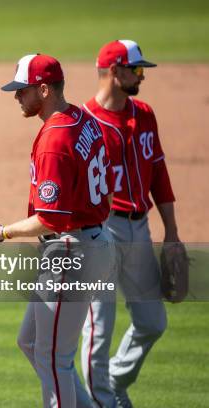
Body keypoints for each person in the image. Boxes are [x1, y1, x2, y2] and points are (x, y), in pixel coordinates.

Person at [0, 54, 115, 408]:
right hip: (90, 240)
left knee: (54, 359)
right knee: (31, 342)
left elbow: (50, 218)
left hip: (71, 251)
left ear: (44, 90)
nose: (16, 96)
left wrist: (1, 232)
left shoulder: (54, 140)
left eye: (22, 90)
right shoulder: (83, 118)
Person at [78, 40, 181, 408]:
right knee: (99, 329)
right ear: (113, 71)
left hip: (140, 229)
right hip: (102, 230)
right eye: (136, 70)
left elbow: (159, 173)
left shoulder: (145, 114)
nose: (141, 76)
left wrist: (172, 234)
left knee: (153, 322)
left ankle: (114, 383)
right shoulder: (85, 122)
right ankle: (102, 401)